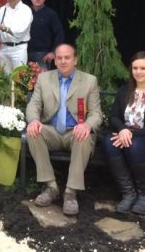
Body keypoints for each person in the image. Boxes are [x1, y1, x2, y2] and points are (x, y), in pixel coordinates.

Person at [26, 43, 103, 216]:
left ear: (75, 60)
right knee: (33, 132)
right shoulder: (44, 79)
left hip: (75, 132)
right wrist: (34, 120)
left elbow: (96, 113)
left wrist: (87, 125)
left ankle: (70, 193)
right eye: (59, 58)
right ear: (55, 61)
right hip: (52, 131)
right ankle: (51, 187)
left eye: (67, 57)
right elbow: (33, 105)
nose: (63, 61)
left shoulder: (89, 81)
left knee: (84, 136)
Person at [102, 51, 145, 214]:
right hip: (126, 137)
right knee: (108, 142)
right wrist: (122, 129)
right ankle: (128, 193)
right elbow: (113, 117)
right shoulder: (124, 91)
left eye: (143, 68)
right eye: (135, 68)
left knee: (136, 145)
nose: (138, 72)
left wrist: (131, 134)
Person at [0, 0, 33, 74]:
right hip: (3, 48)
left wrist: (2, 27)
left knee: (19, 77)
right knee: (4, 78)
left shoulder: (25, 10)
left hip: (19, 49)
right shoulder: (2, 10)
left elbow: (20, 31)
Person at [27, 0, 64, 70]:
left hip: (43, 54)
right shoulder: (25, 12)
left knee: (43, 77)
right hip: (24, 52)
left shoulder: (51, 14)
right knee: (24, 77)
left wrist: (54, 52)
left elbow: (59, 34)